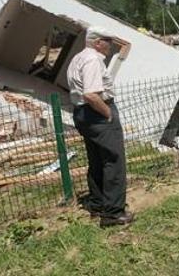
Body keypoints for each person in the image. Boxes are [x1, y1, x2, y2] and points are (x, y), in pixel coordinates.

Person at [67, 27, 133, 227]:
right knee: (113, 161)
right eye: (107, 41)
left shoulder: (78, 58)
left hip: (82, 113)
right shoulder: (93, 60)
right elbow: (91, 94)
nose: (111, 45)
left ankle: (97, 204)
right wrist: (107, 113)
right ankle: (113, 213)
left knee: (96, 159)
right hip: (97, 113)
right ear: (97, 42)